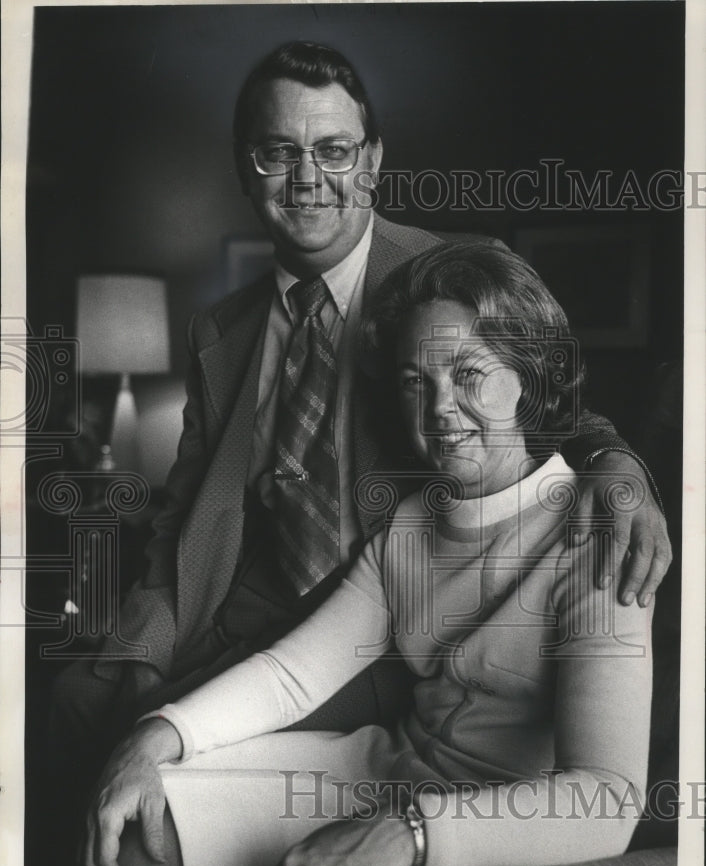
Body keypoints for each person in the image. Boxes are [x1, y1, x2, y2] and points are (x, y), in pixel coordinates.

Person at [50, 39, 669, 791]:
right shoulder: (223, 327)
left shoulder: (440, 277)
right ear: (246, 166)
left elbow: (553, 408)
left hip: (377, 628)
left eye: (334, 151)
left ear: (373, 160)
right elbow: (184, 512)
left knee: (163, 752)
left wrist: (618, 468)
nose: (308, 178)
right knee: (77, 699)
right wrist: (144, 649)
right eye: (279, 152)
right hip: (238, 604)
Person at [73, 242, 653, 866]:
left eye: (469, 374)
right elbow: (292, 675)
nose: (439, 408)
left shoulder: (598, 534)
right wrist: (156, 735)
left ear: (529, 376)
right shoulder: (412, 523)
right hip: (390, 773)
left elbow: (607, 799)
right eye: (416, 381)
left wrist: (408, 835)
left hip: (495, 823)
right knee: (130, 844)